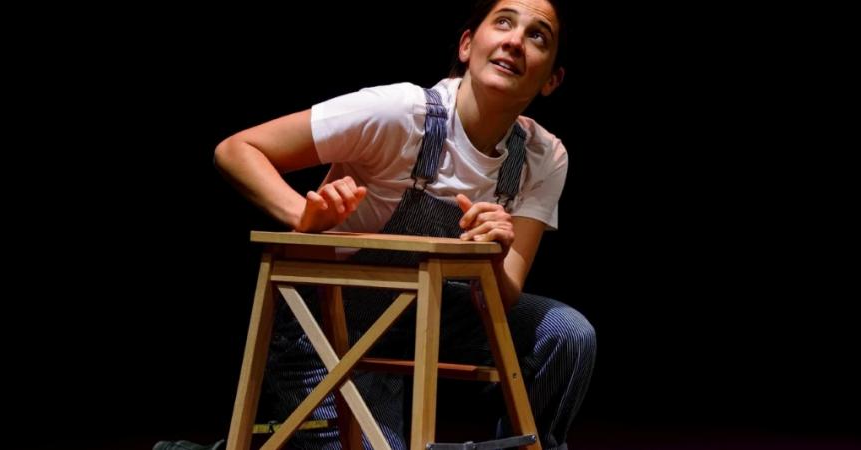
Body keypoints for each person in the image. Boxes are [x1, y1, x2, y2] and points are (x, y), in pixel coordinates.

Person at [214, 1, 594, 448]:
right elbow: (237, 149)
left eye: (538, 36)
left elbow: (505, 291)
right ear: (468, 45)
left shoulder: (542, 156)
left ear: (552, 79)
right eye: (504, 23)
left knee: (567, 335)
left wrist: (494, 251)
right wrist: (301, 213)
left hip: (425, 314)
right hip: (328, 323)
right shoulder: (399, 113)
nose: (515, 41)